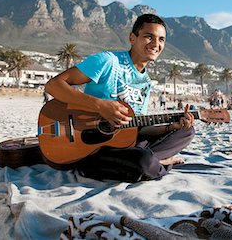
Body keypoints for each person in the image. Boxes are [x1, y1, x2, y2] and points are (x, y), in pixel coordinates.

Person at [45, 14, 195, 182]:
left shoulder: (145, 82)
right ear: (132, 37)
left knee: (186, 131)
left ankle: (152, 161)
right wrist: (100, 106)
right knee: (144, 162)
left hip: (125, 143)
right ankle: (160, 162)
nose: (155, 44)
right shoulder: (108, 61)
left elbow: (137, 126)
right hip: (91, 146)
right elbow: (53, 85)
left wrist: (169, 127)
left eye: (161, 39)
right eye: (148, 37)